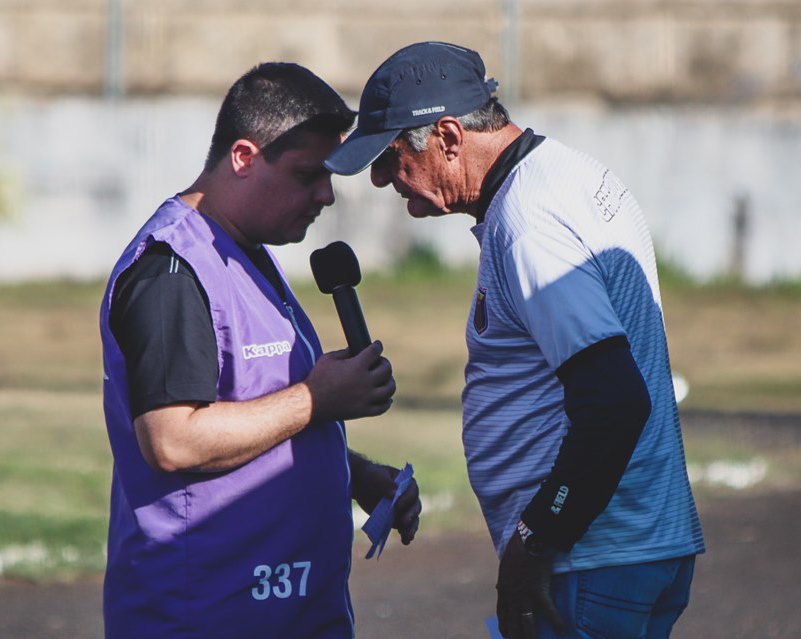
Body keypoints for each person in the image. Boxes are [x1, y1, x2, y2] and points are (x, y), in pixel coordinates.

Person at [325, 42, 704, 639]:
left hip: (591, 559)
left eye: (391, 154)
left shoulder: (529, 221)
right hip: (627, 547)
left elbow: (613, 401)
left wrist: (534, 541)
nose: (379, 179)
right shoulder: (565, 175)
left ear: (448, 137)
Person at [99, 62, 421, 639]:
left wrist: (354, 474)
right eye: (307, 176)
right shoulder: (172, 269)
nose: (325, 195)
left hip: (287, 611)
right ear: (244, 157)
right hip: (207, 616)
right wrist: (315, 399)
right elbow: (173, 439)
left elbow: (251, 412)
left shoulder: (244, 251)